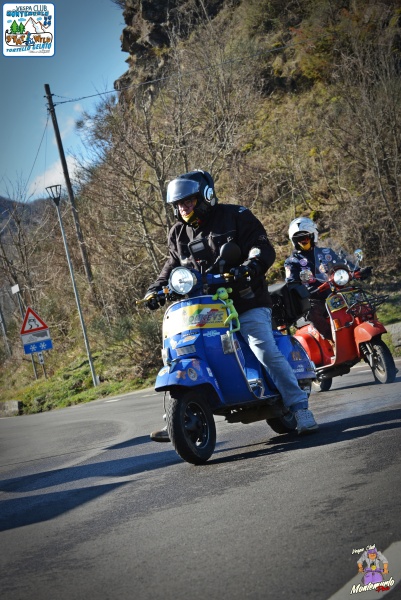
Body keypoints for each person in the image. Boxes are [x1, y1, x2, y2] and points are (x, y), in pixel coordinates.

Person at [144, 170, 318, 441]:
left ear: (205, 196)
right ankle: (178, 417)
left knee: (262, 347)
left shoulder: (236, 215)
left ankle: (299, 407)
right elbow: (172, 265)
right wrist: (155, 288)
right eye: (178, 204)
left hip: (246, 301)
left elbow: (261, 247)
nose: (183, 208)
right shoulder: (178, 233)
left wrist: (250, 266)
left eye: (188, 201)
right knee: (178, 353)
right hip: (202, 309)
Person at [284, 217, 371, 341]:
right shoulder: (292, 262)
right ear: (294, 241)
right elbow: (291, 283)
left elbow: (344, 263)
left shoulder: (326, 252)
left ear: (313, 236)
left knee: (360, 300)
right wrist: (301, 291)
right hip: (315, 298)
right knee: (312, 312)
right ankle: (332, 339)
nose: (303, 241)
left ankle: (365, 327)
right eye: (298, 239)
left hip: (336, 291)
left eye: (306, 237)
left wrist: (358, 271)